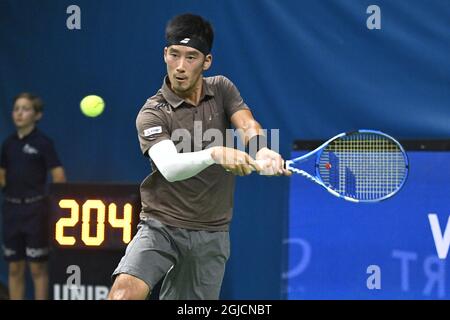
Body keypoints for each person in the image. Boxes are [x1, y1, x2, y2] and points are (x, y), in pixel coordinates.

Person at [108, 13, 290, 300]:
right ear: (165, 54)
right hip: (161, 225)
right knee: (123, 295)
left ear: (206, 62)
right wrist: (214, 153)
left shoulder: (221, 88)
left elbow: (246, 123)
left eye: (191, 57)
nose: (180, 66)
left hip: (211, 233)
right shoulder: (152, 112)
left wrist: (261, 149)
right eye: (174, 55)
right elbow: (169, 167)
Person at [0, 93, 66, 300]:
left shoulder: (43, 143)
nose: (19, 113)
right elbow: (2, 176)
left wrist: (51, 206)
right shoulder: (8, 144)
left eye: (25, 109)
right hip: (11, 211)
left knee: (37, 269)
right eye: (16, 108)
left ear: (37, 115)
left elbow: (58, 177)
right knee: (14, 268)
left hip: (36, 212)